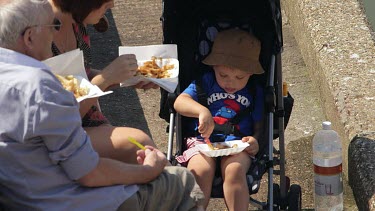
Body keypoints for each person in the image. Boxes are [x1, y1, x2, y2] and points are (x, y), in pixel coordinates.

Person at [0, 0, 204, 210]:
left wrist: (121, 77)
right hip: (66, 196)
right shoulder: (38, 85)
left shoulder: (15, 73)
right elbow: (88, 172)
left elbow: (72, 81)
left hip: (40, 175)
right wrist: (148, 171)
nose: (113, 6)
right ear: (30, 37)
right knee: (179, 180)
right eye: (51, 27)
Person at [48, 0, 160, 164]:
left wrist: (124, 77)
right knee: (140, 145)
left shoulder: (77, 23)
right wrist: (106, 77)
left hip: (85, 124)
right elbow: (61, 120)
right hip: (56, 137)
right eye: (105, 3)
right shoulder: (37, 37)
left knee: (150, 157)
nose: (112, 6)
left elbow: (77, 77)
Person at [173, 28, 265, 211]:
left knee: (234, 171)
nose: (231, 82)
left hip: (237, 143)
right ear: (214, 66)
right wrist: (201, 111)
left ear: (251, 74)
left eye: (240, 77)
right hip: (202, 142)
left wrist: (255, 139)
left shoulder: (254, 91)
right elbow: (179, 102)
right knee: (200, 172)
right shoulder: (205, 81)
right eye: (223, 75)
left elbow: (260, 124)